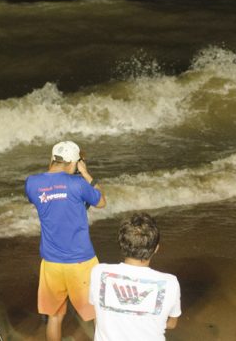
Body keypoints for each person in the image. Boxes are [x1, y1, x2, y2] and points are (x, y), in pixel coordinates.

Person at [25, 141, 107, 341]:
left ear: (52, 159)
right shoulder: (78, 184)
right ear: (74, 162)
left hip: (52, 262)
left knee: (54, 316)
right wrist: (86, 173)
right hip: (81, 261)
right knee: (97, 314)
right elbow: (101, 201)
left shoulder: (32, 183)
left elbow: (50, 192)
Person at [89, 213, 181, 341]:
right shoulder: (170, 283)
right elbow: (172, 323)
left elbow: (97, 313)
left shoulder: (99, 272)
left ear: (122, 245)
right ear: (156, 249)